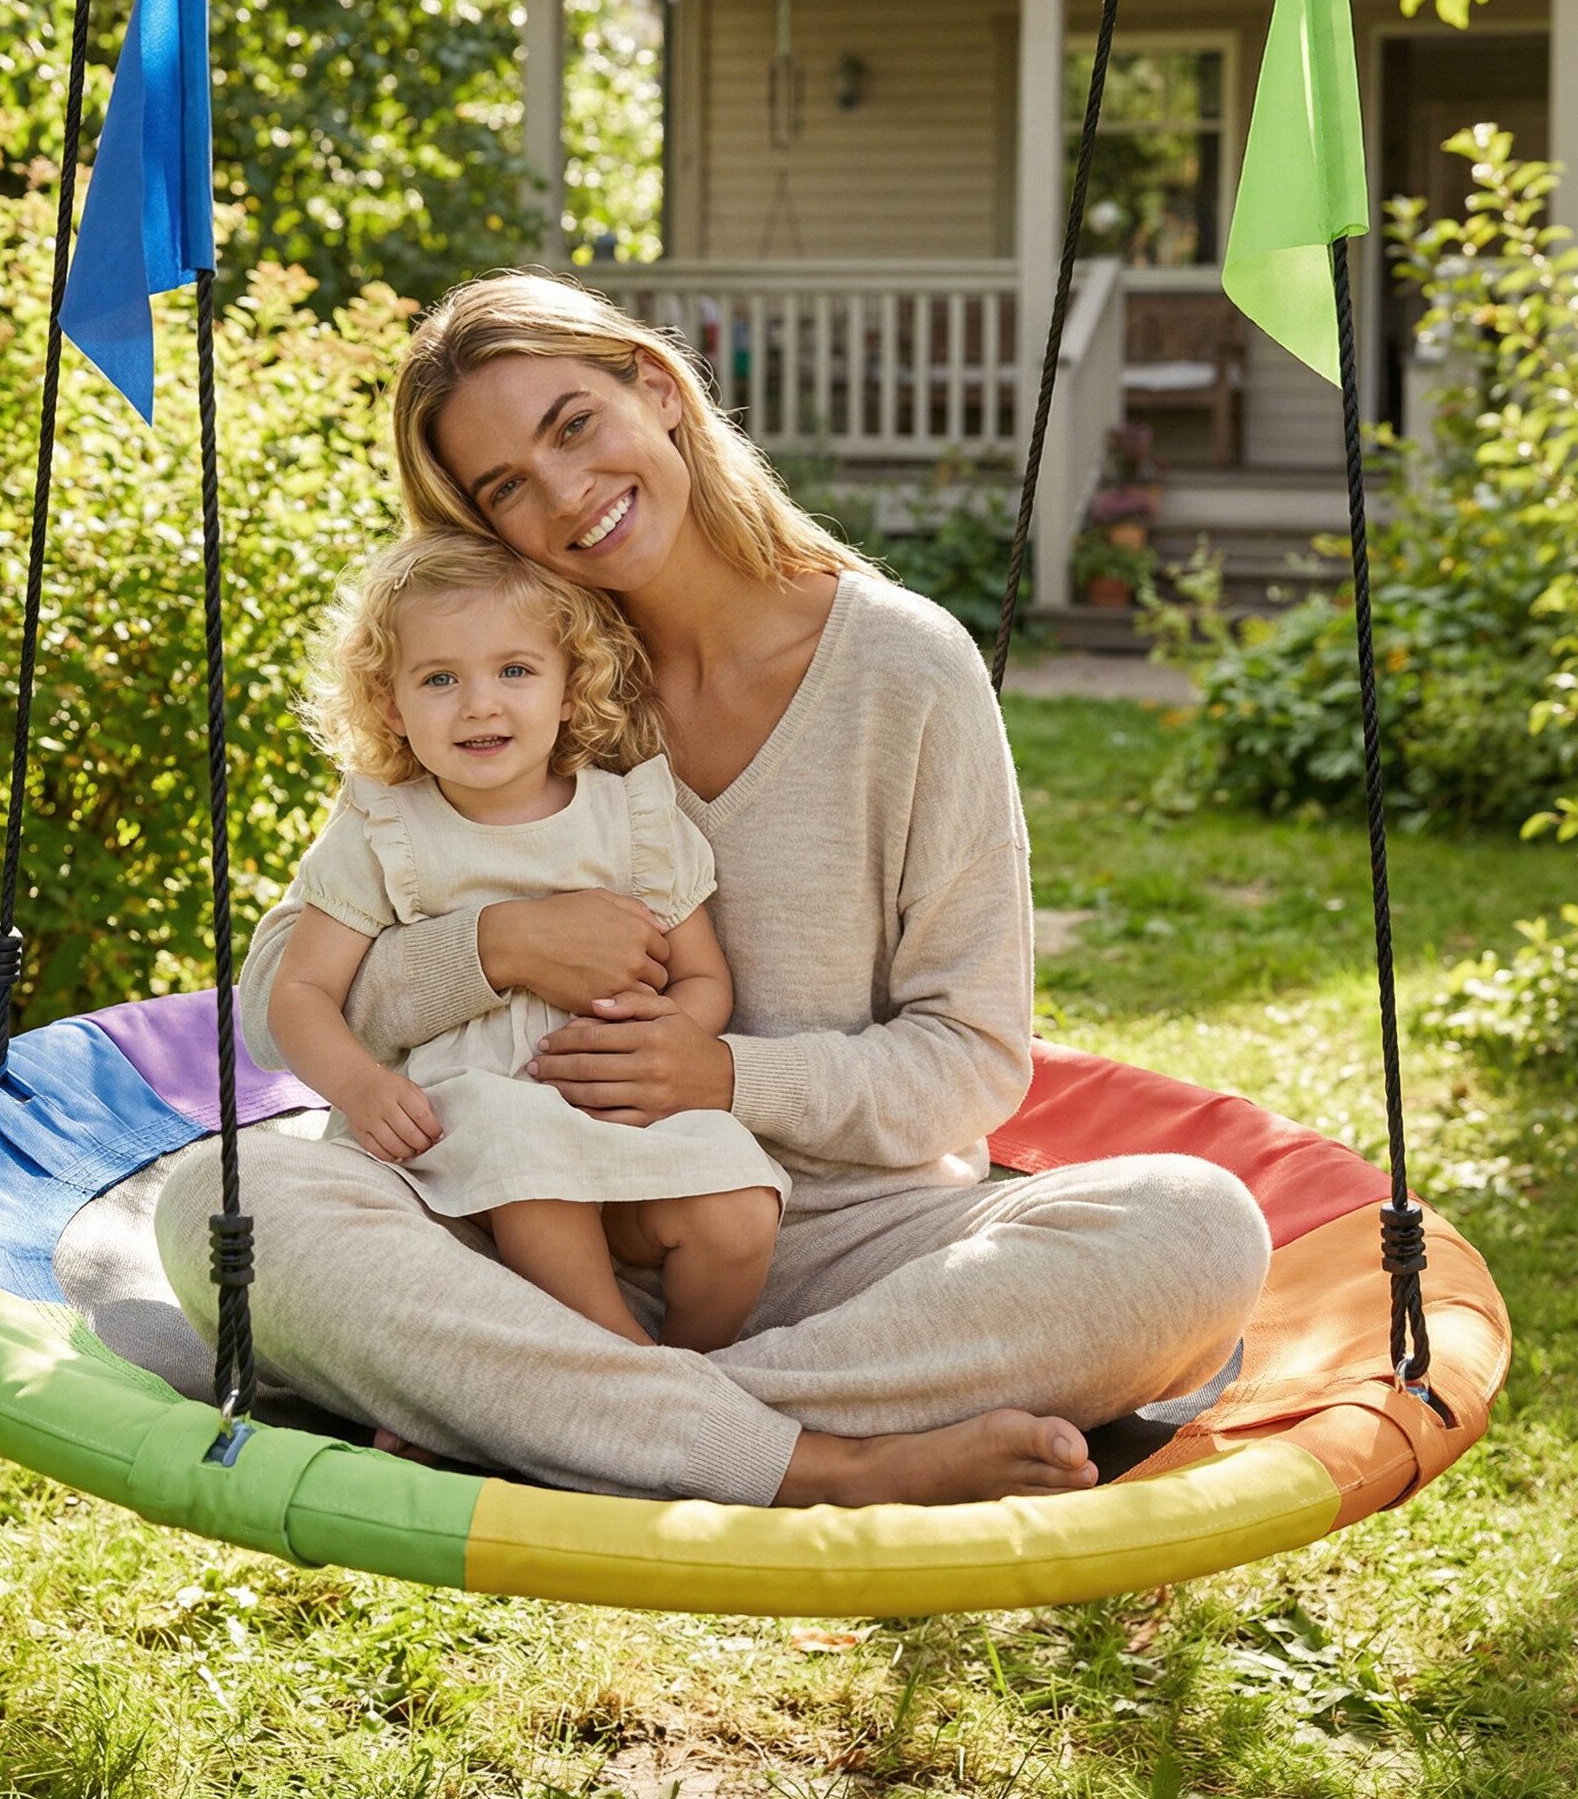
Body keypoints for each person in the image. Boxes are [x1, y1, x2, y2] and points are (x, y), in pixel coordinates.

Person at [160, 270, 1270, 1507]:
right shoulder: (497, 675)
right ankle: (823, 1460)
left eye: (573, 424)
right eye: (506, 487)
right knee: (224, 1205)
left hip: (830, 1251)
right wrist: (498, 946)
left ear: (657, 387)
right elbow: (281, 1002)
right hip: (504, 1226)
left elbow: (971, 1059)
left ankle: (561, 1414)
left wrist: (728, 1077)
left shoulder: (903, 669)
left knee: (1195, 1228)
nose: (564, 493)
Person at [263, 528, 786, 1352]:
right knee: (523, 1143)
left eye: (515, 670)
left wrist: (662, 1042)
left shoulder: (634, 820)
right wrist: (362, 1089)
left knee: (739, 1201)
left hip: (612, 1106)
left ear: (570, 690)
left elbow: (702, 978)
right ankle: (628, 1369)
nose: (480, 704)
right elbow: (299, 993)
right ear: (391, 705)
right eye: (440, 679)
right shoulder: (386, 831)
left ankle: (697, 1363)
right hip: (460, 1135)